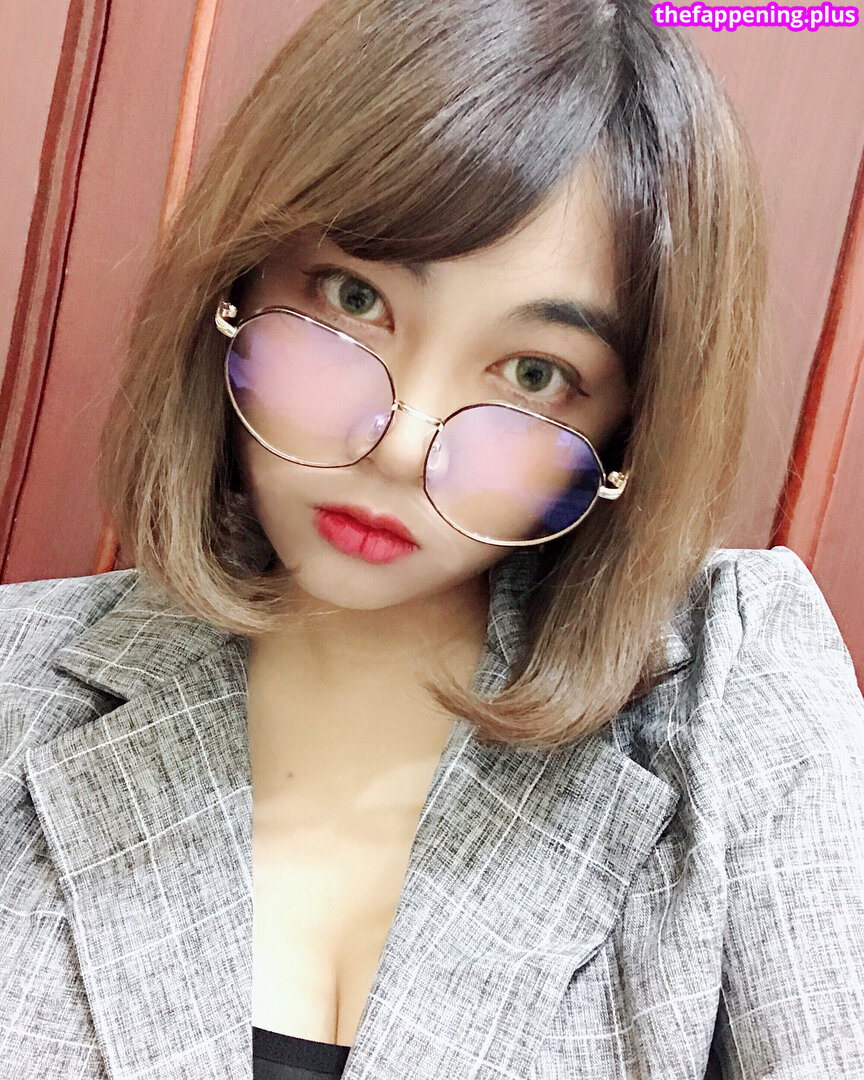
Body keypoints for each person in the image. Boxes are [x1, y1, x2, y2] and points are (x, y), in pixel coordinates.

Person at [2, 0, 863, 1077]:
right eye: (355, 298)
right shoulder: (14, 681)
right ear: (241, 281)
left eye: (535, 374)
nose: (403, 445)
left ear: (625, 430)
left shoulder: (731, 694)